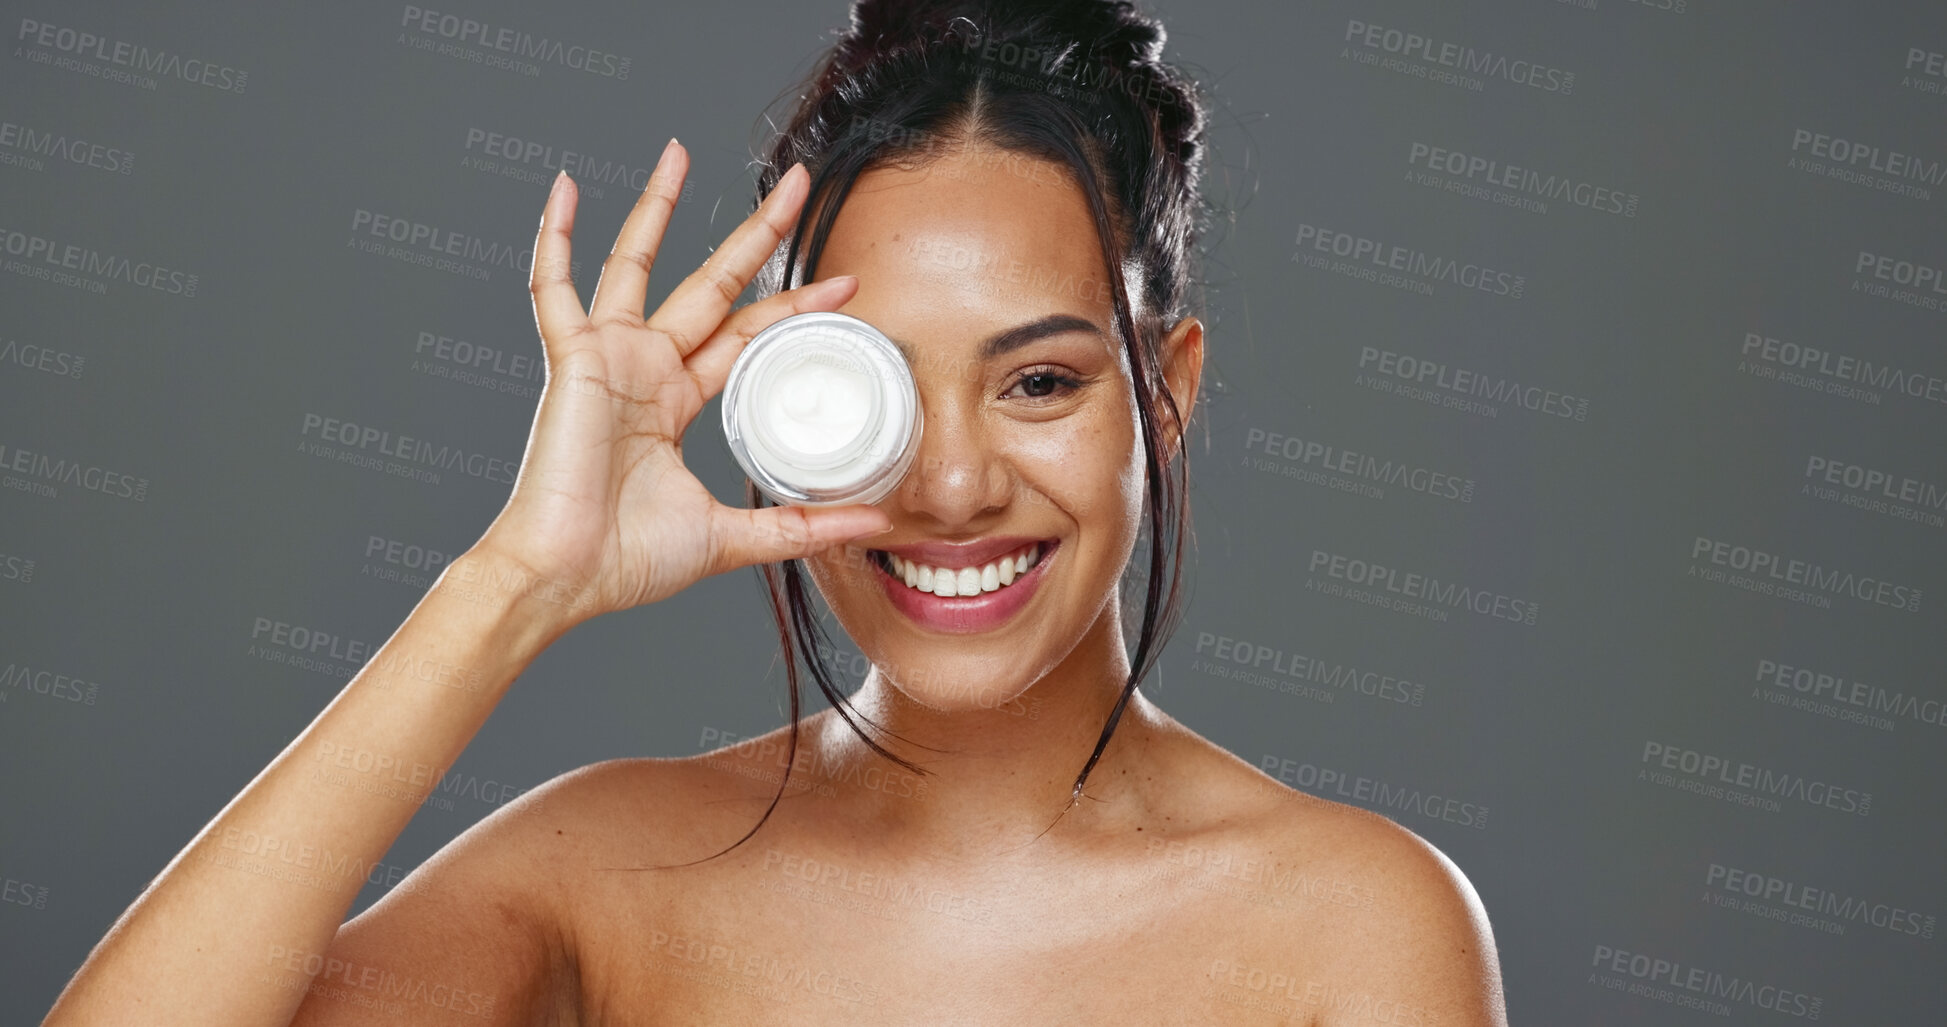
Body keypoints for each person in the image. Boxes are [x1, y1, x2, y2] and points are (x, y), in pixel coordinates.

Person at [47, 1, 1508, 1022]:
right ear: (784, 398)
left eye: (1043, 383)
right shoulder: (611, 876)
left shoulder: (1351, 924)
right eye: (876, 388)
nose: (949, 488)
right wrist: (514, 582)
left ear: (1166, 391)